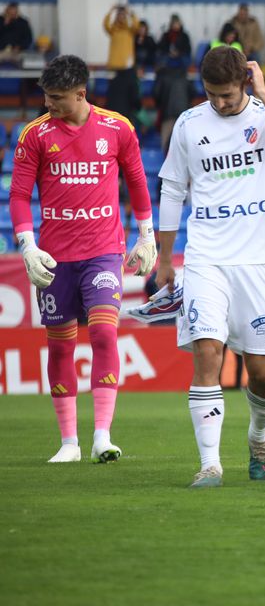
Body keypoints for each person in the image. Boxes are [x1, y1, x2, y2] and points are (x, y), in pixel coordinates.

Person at [154, 45, 265, 487]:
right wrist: (167, 258)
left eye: (226, 95)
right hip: (205, 257)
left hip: (258, 260)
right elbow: (171, 190)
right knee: (208, 351)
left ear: (245, 82)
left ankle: (258, 436)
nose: (219, 103)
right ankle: (210, 463)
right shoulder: (189, 123)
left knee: (263, 373)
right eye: (211, 94)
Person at [8, 54, 158, 464]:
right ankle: (69, 443)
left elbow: (138, 181)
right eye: (45, 96)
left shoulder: (117, 127)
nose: (48, 105)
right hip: (55, 260)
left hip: (103, 253)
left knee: (106, 335)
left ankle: (102, 436)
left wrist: (147, 236)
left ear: (81, 93)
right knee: (60, 348)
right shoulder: (34, 135)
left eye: (56, 97)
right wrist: (26, 244)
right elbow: (20, 196)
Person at [153, 62, 193, 154]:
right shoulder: (184, 77)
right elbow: (193, 92)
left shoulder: (162, 77)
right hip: (185, 117)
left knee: (167, 148)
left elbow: (156, 93)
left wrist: (160, 106)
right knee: (185, 147)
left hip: (168, 116)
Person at [103, 5, 138, 72]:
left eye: (123, 15)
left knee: (127, 82)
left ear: (125, 17)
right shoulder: (113, 30)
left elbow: (136, 25)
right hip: (114, 65)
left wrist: (130, 13)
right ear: (116, 17)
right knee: (114, 82)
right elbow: (105, 25)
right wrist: (111, 11)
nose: (121, 17)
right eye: (119, 15)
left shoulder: (130, 31)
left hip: (127, 65)